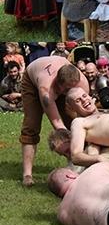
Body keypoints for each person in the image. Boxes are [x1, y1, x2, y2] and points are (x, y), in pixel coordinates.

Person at [20, 56, 89, 186]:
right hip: (33, 79)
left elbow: (86, 117)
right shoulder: (46, 88)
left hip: (57, 77)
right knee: (31, 125)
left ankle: (83, 165)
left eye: (71, 89)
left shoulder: (82, 83)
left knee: (75, 122)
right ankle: (27, 175)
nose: (66, 92)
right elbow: (57, 123)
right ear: (58, 83)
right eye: (65, 89)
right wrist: (67, 143)